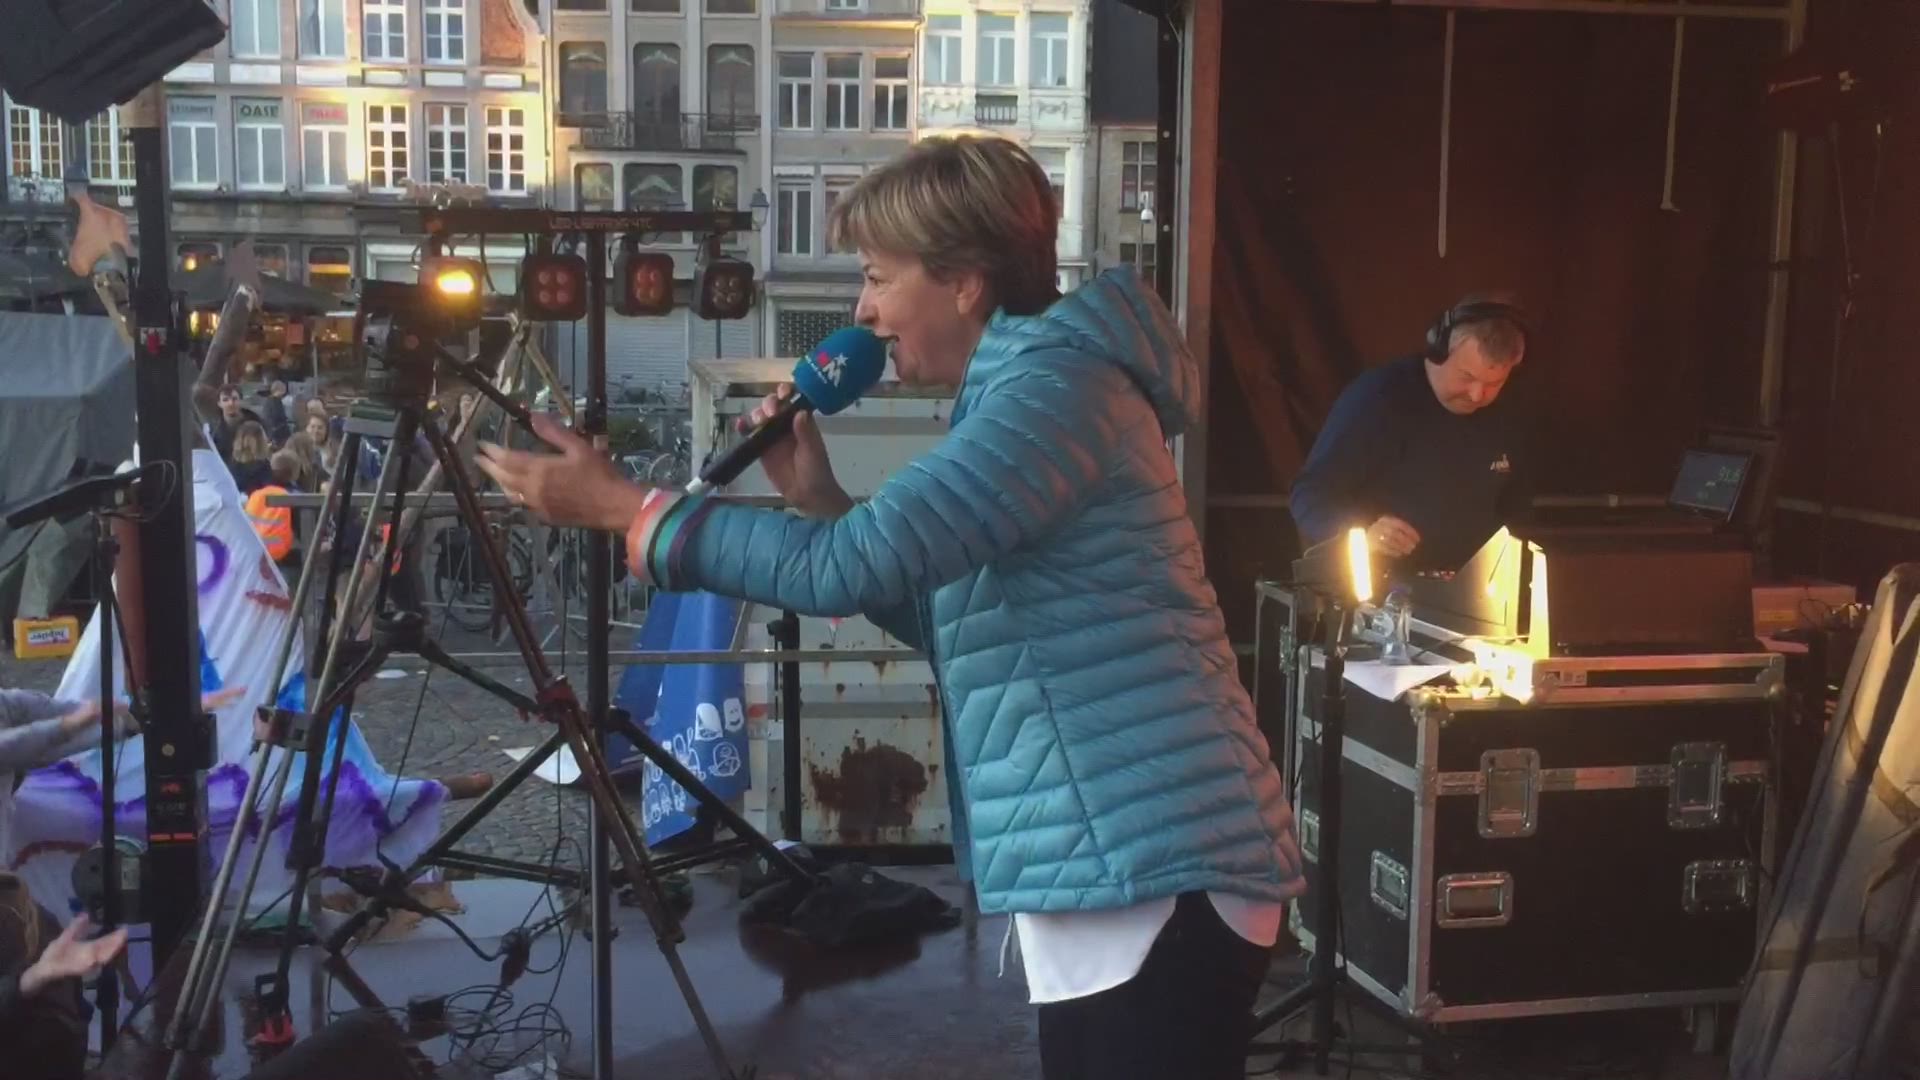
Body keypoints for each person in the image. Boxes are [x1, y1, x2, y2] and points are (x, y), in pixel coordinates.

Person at [478, 134, 1303, 1079]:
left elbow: (850, 570)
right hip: (1132, 860)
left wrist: (632, 510)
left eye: (876, 277)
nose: (862, 311)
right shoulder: (1040, 388)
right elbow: (954, 614)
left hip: (1153, 864)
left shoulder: (1054, 393)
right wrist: (819, 501)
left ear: (965, 281)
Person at [1288, 295, 1534, 569]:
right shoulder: (1378, 399)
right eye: (1467, 377)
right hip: (1383, 586)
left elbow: (1516, 504)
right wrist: (1362, 533)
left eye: (1494, 383)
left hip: (1477, 586)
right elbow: (1309, 494)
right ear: (1439, 351)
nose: (1477, 395)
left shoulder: (1508, 411)